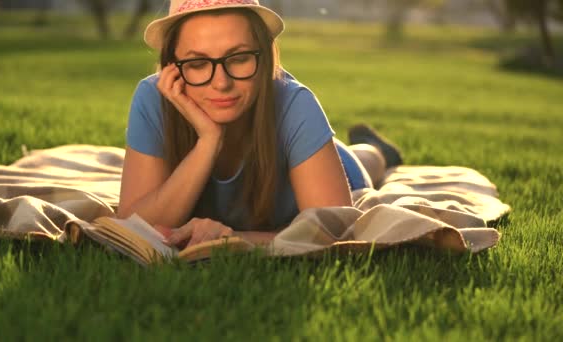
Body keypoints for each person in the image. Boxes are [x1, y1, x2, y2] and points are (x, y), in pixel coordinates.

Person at [117, 0, 402, 249]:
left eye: (239, 58)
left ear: (264, 58)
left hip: (334, 167)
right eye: (198, 63)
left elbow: (333, 230)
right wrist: (209, 141)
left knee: (367, 159)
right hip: (293, 149)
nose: (221, 83)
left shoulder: (295, 102)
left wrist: (232, 239)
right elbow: (133, 226)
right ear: (172, 68)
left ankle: (378, 150)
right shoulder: (153, 99)